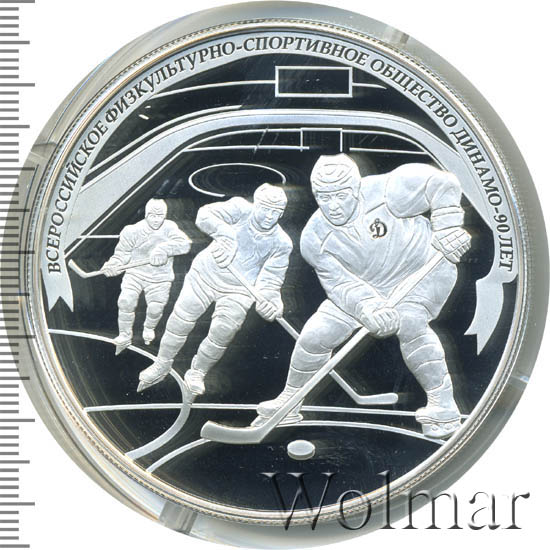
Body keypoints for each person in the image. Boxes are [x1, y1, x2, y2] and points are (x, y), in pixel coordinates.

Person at [255, 154, 471, 439]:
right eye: (324, 197)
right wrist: (368, 307)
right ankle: (291, 400)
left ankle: (443, 407)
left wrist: (447, 228)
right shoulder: (315, 239)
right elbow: (339, 284)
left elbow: (443, 183)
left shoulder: (388, 191)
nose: (333, 205)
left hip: (421, 271)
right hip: (364, 288)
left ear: (356, 188)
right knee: (316, 334)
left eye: (341, 195)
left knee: (410, 323)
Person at [137, 183, 293, 392]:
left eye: (276, 212)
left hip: (239, 291)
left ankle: (197, 372)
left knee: (223, 332)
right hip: (204, 275)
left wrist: (272, 301)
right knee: (181, 320)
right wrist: (226, 236)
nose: (269, 216)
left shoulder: (282, 243)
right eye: (265, 209)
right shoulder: (240, 208)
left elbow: (272, 280)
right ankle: (161, 364)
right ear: (256, 204)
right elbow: (204, 214)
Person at [102, 198, 191, 353]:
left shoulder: (170, 228)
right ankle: (124, 334)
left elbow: (185, 244)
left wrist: (164, 250)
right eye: (152, 215)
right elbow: (122, 254)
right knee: (125, 301)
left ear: (165, 215)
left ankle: (149, 327)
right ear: (146, 214)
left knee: (155, 308)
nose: (156, 220)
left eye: (160, 216)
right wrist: (113, 265)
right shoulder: (132, 231)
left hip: (160, 278)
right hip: (135, 274)